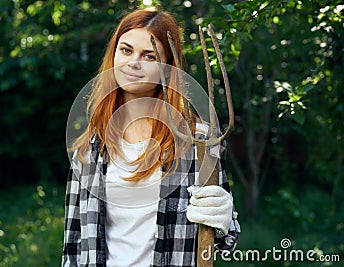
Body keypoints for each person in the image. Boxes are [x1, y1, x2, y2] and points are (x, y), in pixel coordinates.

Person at [62, 7, 240, 267]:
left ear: (168, 68)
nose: (134, 62)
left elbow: (225, 244)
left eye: (149, 55)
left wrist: (224, 223)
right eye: (126, 50)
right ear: (113, 55)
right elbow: (73, 243)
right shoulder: (91, 145)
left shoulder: (198, 142)